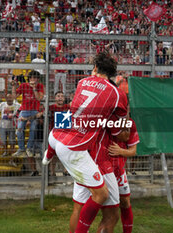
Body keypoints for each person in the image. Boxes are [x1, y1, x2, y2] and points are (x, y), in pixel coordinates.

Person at [44, 52, 128, 232]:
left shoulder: (82, 83)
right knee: (111, 212)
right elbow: (120, 134)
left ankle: (50, 153)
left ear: (95, 68)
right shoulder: (117, 95)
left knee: (78, 208)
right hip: (97, 158)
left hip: (74, 149)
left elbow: (72, 112)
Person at [108, 118, 139, 233]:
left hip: (119, 171)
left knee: (125, 202)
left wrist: (120, 151)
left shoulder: (130, 123)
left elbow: (133, 151)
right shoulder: (102, 119)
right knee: (104, 208)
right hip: (102, 171)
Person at [12, 70, 44, 159]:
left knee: (33, 129)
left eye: (34, 78)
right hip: (24, 110)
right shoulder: (24, 85)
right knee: (19, 130)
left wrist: (34, 88)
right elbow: (14, 96)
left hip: (35, 111)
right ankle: (21, 149)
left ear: (38, 79)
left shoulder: (40, 86)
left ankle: (29, 148)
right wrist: (14, 87)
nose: (32, 79)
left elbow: (39, 98)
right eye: (31, 77)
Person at [48, 91, 70, 176]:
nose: (60, 97)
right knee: (53, 154)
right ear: (55, 98)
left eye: (62, 96)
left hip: (66, 135)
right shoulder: (50, 107)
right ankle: (52, 172)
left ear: (64, 98)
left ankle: (66, 171)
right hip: (53, 134)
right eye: (58, 96)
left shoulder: (68, 107)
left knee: (67, 153)